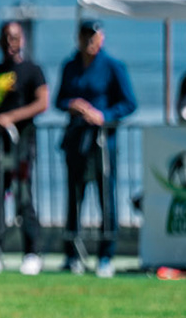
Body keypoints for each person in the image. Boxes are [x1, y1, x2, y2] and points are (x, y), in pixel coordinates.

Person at [56, 20, 136, 278]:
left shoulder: (113, 66)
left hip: (103, 143)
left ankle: (106, 256)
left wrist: (103, 115)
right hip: (76, 142)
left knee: (106, 199)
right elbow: (59, 99)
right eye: (84, 35)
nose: (89, 40)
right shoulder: (70, 66)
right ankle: (72, 254)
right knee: (74, 198)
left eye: (93, 35)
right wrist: (74, 105)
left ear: (101, 38)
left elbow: (129, 103)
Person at [0, 19, 49, 274]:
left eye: (14, 38)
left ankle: (32, 252)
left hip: (21, 146)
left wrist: (11, 118)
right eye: (5, 38)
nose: (9, 43)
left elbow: (42, 103)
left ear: (22, 40)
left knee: (24, 198)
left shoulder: (32, 70)